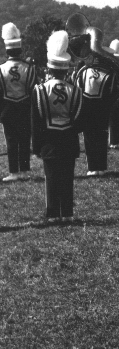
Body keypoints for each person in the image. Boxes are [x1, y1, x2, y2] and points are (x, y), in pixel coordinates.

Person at [31, 31, 83, 223]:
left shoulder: (39, 90)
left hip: (48, 142)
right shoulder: (76, 91)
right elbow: (79, 121)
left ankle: (53, 213)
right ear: (66, 69)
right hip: (69, 141)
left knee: (51, 178)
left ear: (49, 68)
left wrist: (36, 147)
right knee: (67, 179)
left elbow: (36, 123)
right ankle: (68, 212)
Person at [74, 36, 119, 177]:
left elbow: (77, 93)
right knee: (102, 138)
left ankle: (92, 167)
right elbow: (113, 94)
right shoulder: (109, 73)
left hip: (87, 109)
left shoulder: (82, 72)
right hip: (103, 110)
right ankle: (101, 167)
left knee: (89, 139)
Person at [0, 22, 36, 182]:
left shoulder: (1, 69)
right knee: (24, 139)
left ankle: (14, 172)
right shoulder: (29, 68)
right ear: (20, 49)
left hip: (7, 110)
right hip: (25, 108)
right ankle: (25, 171)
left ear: (7, 50)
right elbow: (33, 90)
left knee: (11, 141)